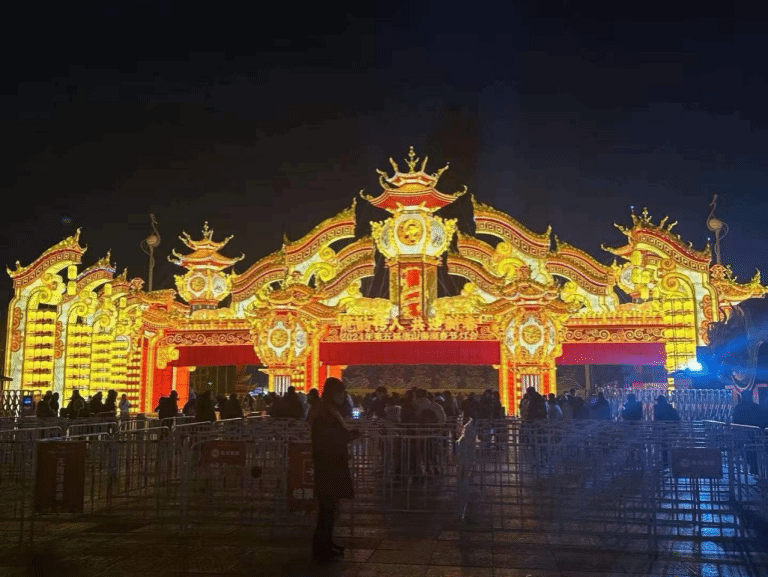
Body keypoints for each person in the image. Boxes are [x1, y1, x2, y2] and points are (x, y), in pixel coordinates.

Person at [310, 377, 360, 562]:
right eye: (340, 393)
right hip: (329, 465)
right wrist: (351, 435)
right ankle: (321, 545)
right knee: (327, 507)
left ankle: (327, 541)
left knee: (330, 507)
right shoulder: (325, 414)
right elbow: (333, 438)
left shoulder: (327, 411)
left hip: (329, 464)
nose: (343, 396)